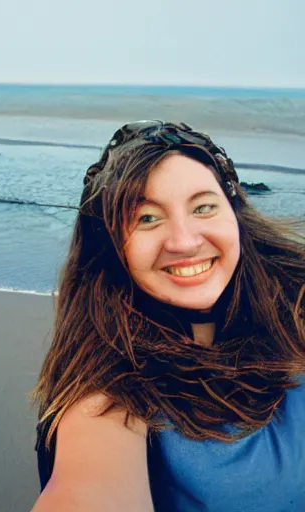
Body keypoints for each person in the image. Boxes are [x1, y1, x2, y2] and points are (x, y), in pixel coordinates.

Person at [29, 121, 305, 512]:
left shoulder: (294, 307)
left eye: (203, 207)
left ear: (235, 213)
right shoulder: (110, 385)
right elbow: (90, 487)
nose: (184, 241)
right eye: (147, 218)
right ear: (111, 246)